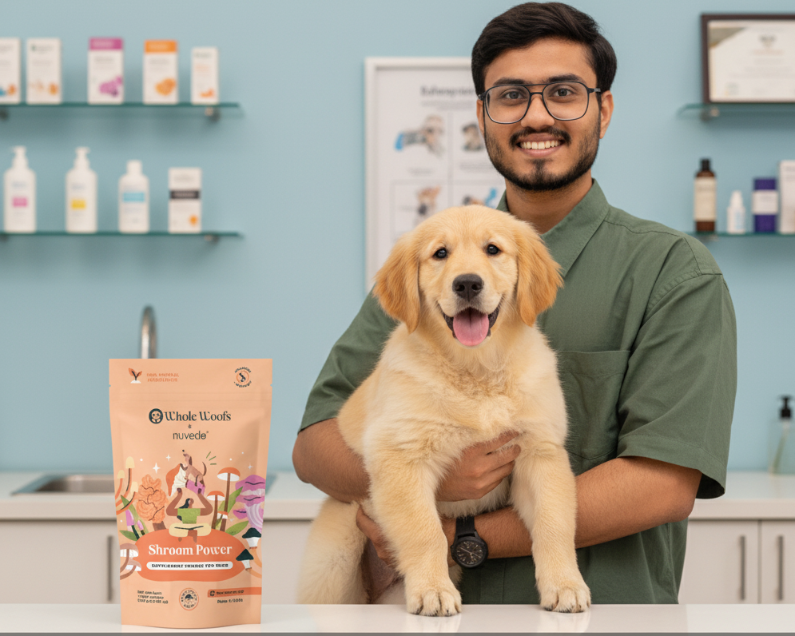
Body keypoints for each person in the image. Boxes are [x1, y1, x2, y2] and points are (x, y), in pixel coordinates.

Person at [293, 1, 736, 604]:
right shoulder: (430, 272)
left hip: (599, 617)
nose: (537, 115)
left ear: (603, 110)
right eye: (510, 96)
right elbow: (313, 446)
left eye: (563, 92)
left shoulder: (674, 273)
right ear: (483, 115)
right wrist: (422, 480)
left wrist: (464, 536)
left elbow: (665, 484)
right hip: (417, 614)